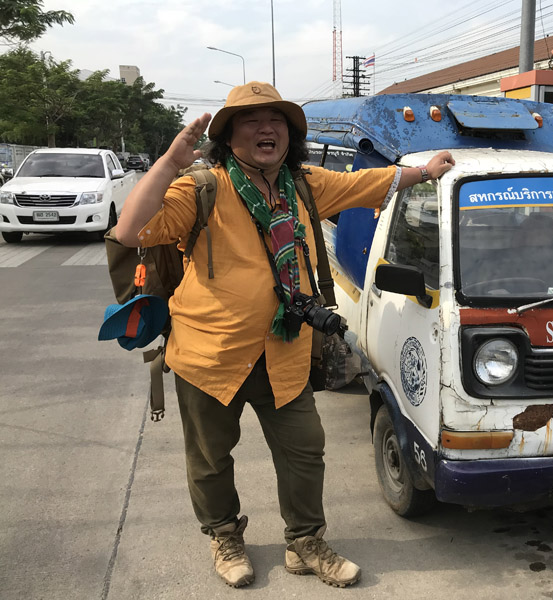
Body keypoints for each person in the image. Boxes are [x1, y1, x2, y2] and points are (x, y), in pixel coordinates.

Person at [114, 82, 455, 589]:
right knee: (210, 459)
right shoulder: (202, 188)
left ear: (290, 135)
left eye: (276, 120)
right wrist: (168, 162)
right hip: (209, 356)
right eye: (251, 121)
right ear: (229, 136)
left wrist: (424, 172)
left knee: (304, 451)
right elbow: (130, 231)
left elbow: (369, 183)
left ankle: (305, 542)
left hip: (285, 352)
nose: (266, 129)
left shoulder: (304, 185)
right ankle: (224, 535)